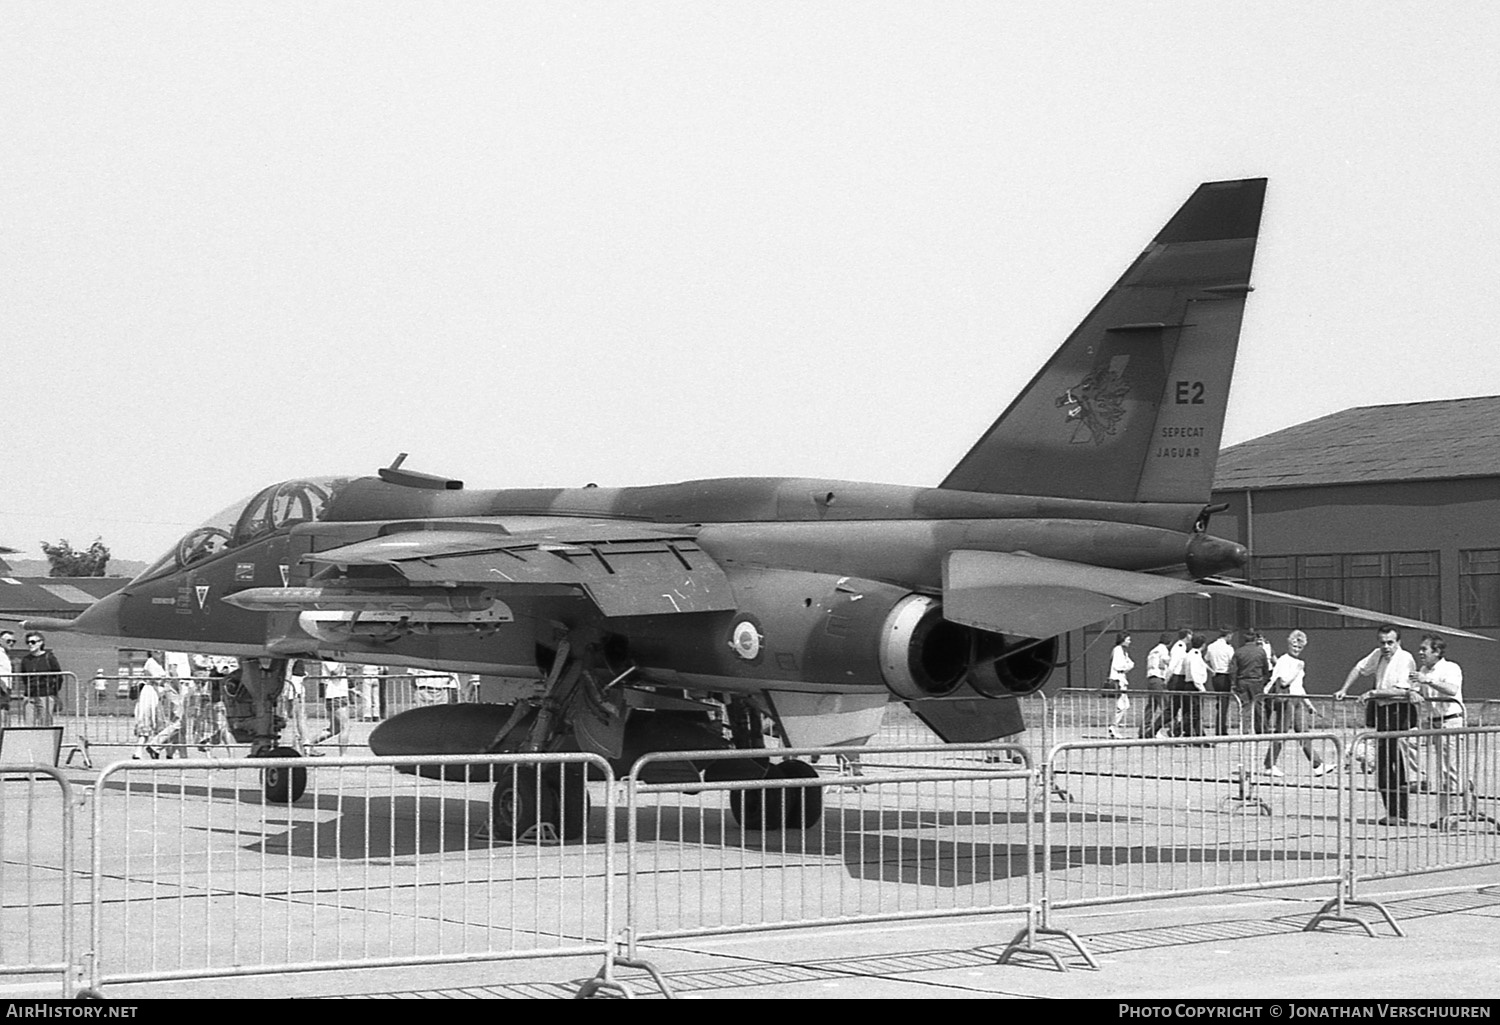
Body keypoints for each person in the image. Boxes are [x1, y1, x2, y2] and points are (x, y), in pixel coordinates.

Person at [1336, 624, 1420, 825]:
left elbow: (1401, 691)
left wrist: (1373, 693)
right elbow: (1359, 668)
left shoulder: (1405, 659)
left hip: (1399, 711)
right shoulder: (1378, 654)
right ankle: (1392, 811)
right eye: (1382, 643)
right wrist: (1344, 689)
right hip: (1383, 711)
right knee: (1383, 762)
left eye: (1390, 642)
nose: (1386, 647)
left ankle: (1400, 812)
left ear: (1398, 642)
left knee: (1395, 761)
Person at [1413, 634, 1466, 827]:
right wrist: (1412, 691)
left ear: (1436, 651)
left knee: (1449, 770)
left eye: (1424, 649)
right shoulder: (1424, 670)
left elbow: (1451, 690)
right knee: (1444, 770)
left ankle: (1449, 817)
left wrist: (1426, 680)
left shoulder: (1450, 668)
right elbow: (1416, 688)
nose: (1420, 653)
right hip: (1434, 722)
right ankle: (1457, 806)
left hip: (1450, 722)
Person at [1261, 630, 1329, 777]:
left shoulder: (1298, 662)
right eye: (1294, 646)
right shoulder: (1284, 660)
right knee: (1281, 733)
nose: (1296, 649)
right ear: (1289, 644)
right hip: (1287, 700)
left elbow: (1299, 686)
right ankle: (1269, 765)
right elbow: (1284, 681)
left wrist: (1309, 705)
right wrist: (1297, 670)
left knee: (1303, 732)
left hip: (1297, 700)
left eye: (1299, 647)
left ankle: (1318, 765)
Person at [18, 632, 64, 727]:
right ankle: (31, 741)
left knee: (45, 724)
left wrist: (53, 692)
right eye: (28, 642)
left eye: (33, 642)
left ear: (41, 643)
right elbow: (24, 677)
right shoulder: (26, 659)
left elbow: (59, 677)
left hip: (46, 695)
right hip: (29, 696)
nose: (30, 644)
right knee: (28, 725)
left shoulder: (49, 658)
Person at [1231, 629, 1271, 734]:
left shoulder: (1238, 652)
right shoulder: (1261, 651)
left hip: (1243, 681)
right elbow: (1265, 668)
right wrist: (1264, 680)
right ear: (1255, 639)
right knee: (1258, 705)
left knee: (1245, 706)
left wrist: (1234, 684)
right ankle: (1261, 729)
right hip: (1256, 681)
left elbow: (1234, 670)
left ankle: (1244, 730)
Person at [312, 659, 351, 754]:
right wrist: (343, 662)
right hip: (335, 696)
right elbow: (336, 673)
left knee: (335, 729)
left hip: (339, 694)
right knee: (345, 726)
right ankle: (343, 756)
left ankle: (308, 744)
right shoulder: (330, 659)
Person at [1138, 633, 1171, 738]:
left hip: (1151, 679)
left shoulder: (1153, 650)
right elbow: (1166, 661)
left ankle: (1144, 730)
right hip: (1158, 679)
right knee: (1166, 707)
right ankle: (1172, 729)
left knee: (1151, 706)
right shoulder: (1163, 650)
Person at [1206, 627, 1237, 735]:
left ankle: (1221, 726)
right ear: (1228, 635)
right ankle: (1221, 729)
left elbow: (1206, 659)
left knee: (1220, 702)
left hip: (1215, 677)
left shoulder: (1211, 646)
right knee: (1224, 704)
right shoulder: (1228, 648)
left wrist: (1212, 669)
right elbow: (1232, 663)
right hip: (1225, 675)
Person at [1181, 633, 1210, 741]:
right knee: (1194, 713)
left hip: (1190, 684)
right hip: (1194, 685)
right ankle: (1177, 729)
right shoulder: (1195, 656)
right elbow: (1194, 672)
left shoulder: (1191, 654)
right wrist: (1200, 687)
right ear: (1203, 645)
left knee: (1194, 713)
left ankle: (1198, 735)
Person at [132, 668, 165, 759]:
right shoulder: (150, 663)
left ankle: (152, 749)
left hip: (156, 697)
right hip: (149, 698)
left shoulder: (161, 664)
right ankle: (141, 751)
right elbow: (156, 680)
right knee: (146, 726)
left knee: (160, 727)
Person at [282, 658, 313, 753]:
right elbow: (289, 667)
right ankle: (305, 744)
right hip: (293, 682)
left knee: (299, 715)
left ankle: (303, 744)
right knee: (298, 715)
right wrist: (286, 688)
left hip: (297, 681)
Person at [1107, 632, 1133, 739]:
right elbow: (1119, 665)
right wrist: (1128, 665)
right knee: (1122, 705)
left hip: (1121, 679)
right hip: (1118, 680)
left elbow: (1130, 663)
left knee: (1123, 705)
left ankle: (1114, 726)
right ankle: (1113, 726)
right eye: (1128, 639)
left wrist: (1128, 664)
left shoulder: (1123, 651)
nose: (1129, 641)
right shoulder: (1118, 650)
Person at [0, 629, 13, 727]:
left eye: (13, 641)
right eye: (8, 641)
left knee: (5, 717)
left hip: (5, 690)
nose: (12, 643)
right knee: (3, 719)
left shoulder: (4, 654)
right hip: (1, 689)